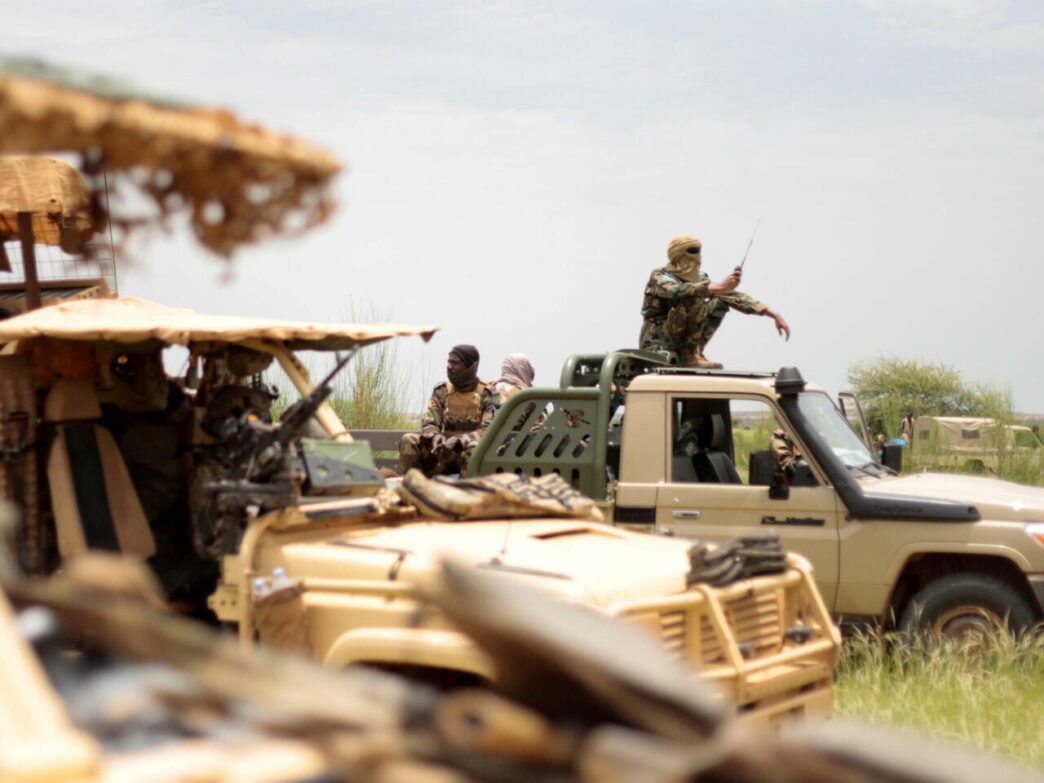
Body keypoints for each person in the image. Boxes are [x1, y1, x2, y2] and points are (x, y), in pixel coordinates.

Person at [639, 234, 791, 368]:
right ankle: (689, 354)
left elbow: (730, 295)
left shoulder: (700, 278)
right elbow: (675, 291)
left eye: (699, 251)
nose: (698, 255)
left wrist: (773, 314)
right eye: (692, 251)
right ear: (678, 253)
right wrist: (718, 286)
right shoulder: (660, 275)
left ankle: (694, 351)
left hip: (682, 339)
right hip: (657, 339)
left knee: (721, 298)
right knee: (692, 297)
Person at [399, 344, 497, 477]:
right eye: (449, 362)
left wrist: (459, 440)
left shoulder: (488, 393)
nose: (449, 366)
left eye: (455, 363)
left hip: (471, 454)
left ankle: (466, 494)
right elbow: (429, 422)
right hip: (443, 454)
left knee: (474, 447)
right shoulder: (443, 391)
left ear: (470, 367)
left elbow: (489, 430)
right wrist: (435, 437)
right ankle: (415, 487)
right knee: (408, 439)